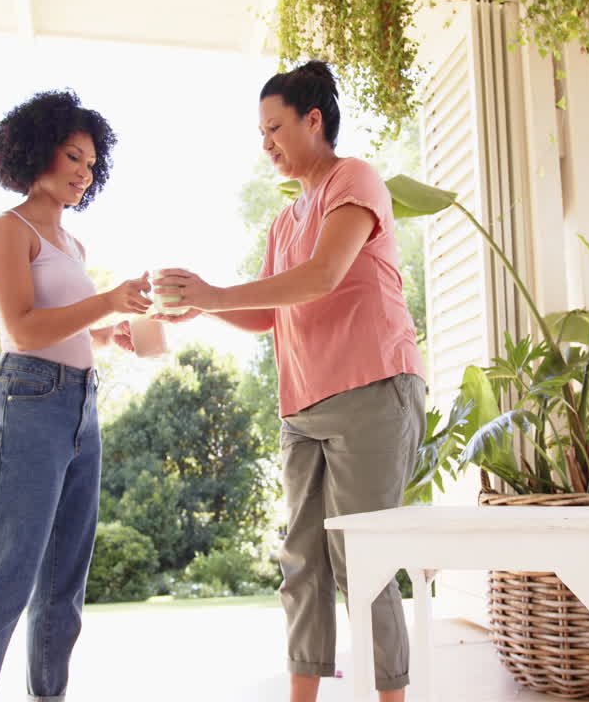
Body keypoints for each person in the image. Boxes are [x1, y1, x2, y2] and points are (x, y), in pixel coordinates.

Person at [156, 60, 426, 702]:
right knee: (301, 562)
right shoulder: (284, 221)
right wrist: (203, 304)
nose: (267, 142)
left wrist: (217, 291)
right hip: (302, 406)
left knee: (362, 560)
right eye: (260, 132)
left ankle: (391, 695)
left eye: (275, 127)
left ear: (314, 120)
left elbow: (323, 276)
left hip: (371, 391)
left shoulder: (352, 179)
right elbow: (267, 312)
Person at [0, 89, 152, 702]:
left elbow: (63, 321)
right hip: (29, 401)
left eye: (91, 163)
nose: (84, 172)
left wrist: (106, 332)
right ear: (37, 152)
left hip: (81, 405)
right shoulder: (9, 230)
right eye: (72, 156)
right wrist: (108, 300)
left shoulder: (74, 245)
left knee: (65, 583)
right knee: (6, 579)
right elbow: (24, 329)